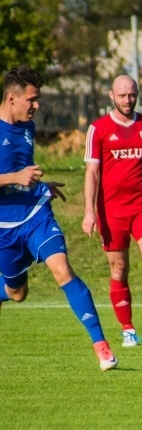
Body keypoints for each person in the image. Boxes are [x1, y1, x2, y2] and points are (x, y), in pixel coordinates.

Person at [0, 65, 118, 371]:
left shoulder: (27, 127)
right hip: (3, 226)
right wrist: (16, 177)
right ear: (12, 99)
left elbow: (21, 172)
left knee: (62, 269)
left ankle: (101, 346)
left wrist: (40, 186)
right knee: (17, 292)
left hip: (36, 212)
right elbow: (14, 173)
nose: (37, 106)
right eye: (32, 99)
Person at [83, 75, 142, 347]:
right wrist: (89, 212)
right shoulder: (98, 129)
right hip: (111, 211)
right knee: (119, 269)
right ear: (111, 95)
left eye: (132, 95)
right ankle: (128, 329)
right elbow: (92, 172)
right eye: (123, 95)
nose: (128, 100)